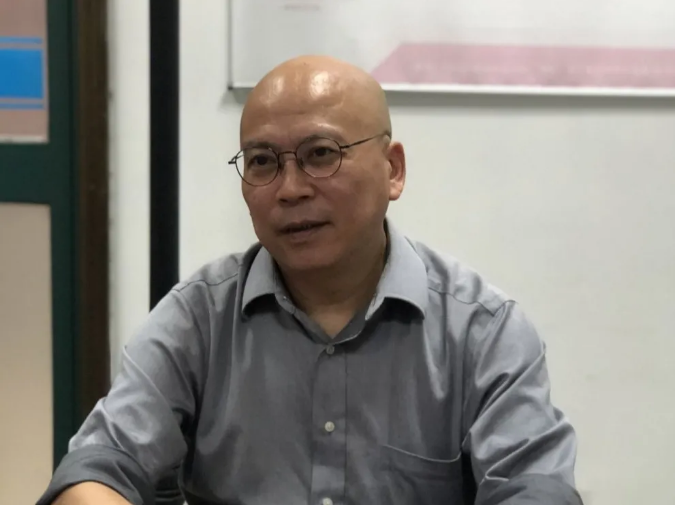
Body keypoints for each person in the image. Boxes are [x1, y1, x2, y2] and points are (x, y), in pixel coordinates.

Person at [38, 55, 582, 505]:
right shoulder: (198, 320)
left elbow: (534, 489)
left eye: (321, 154)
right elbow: (100, 466)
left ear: (392, 170)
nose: (291, 189)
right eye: (262, 161)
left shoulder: (483, 331)